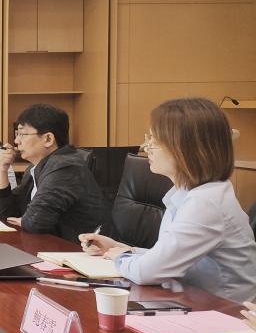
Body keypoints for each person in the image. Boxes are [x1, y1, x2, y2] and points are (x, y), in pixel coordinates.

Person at [78, 98, 256, 303]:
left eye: (155, 140)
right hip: (194, 303)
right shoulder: (186, 193)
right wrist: (123, 249)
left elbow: (147, 272)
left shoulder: (206, 203)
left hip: (225, 314)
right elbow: (168, 257)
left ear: (187, 148)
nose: (146, 147)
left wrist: (120, 257)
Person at [0, 103, 104, 242]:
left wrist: (25, 220)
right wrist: (1, 169)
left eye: (22, 134)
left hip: (80, 250)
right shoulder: (35, 168)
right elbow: (7, 212)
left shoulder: (65, 168)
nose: (16, 141)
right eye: (17, 134)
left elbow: (34, 223)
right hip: (51, 246)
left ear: (48, 139)